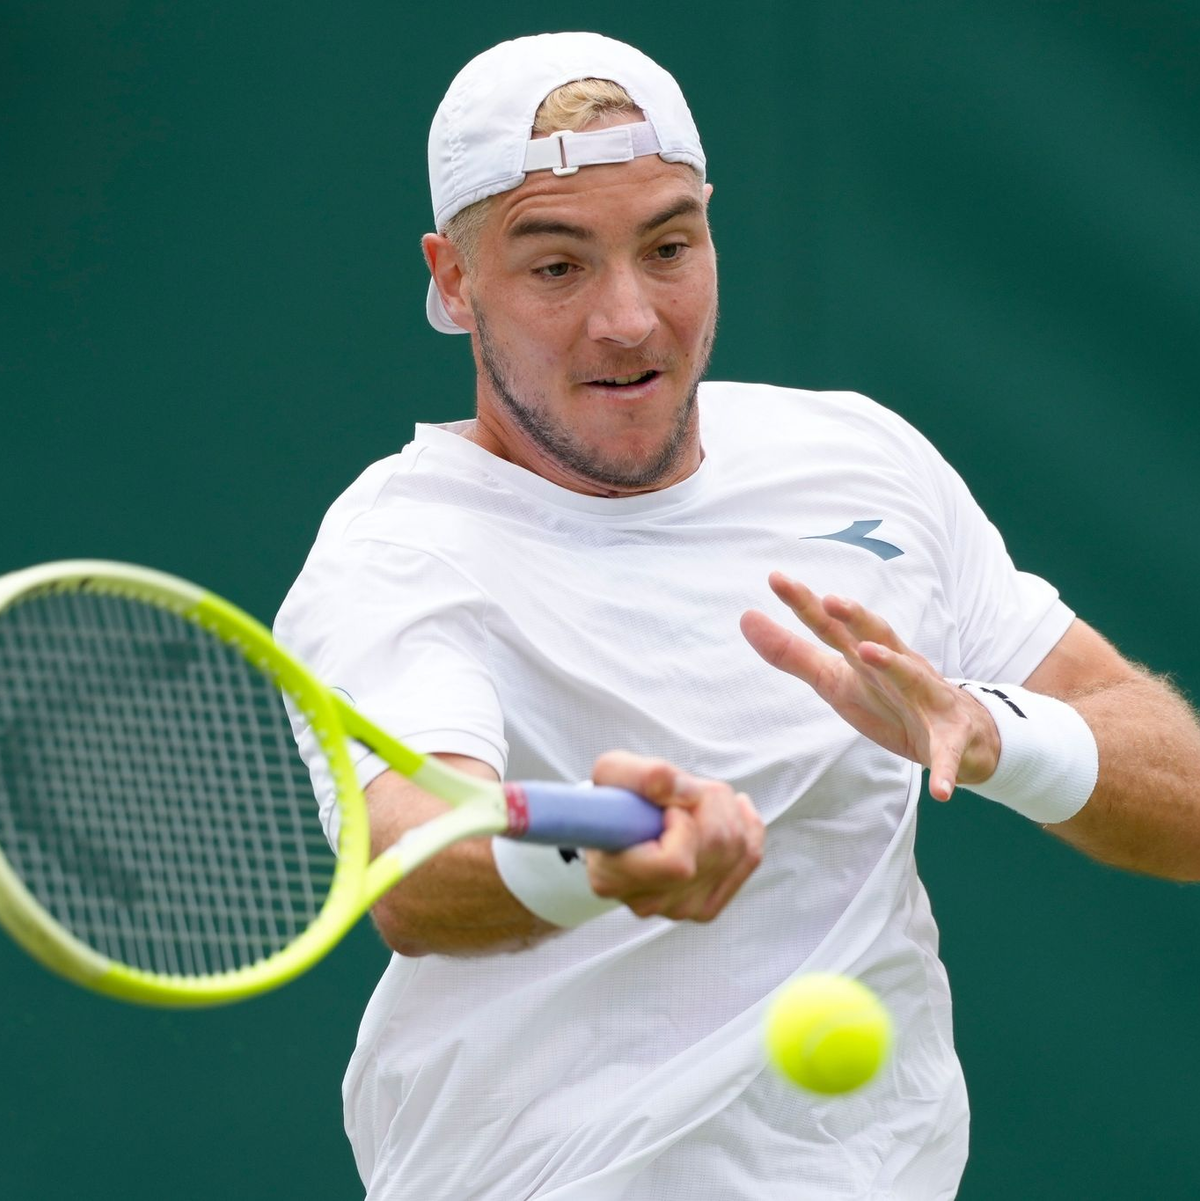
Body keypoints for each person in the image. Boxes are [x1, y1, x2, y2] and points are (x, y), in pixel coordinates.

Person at [275, 31, 1200, 1201]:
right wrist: (596, 868)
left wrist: (997, 731)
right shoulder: (401, 548)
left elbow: (1186, 800)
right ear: (454, 282)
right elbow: (411, 862)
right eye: (557, 267)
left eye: (668, 246)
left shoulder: (861, 462)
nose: (629, 318)